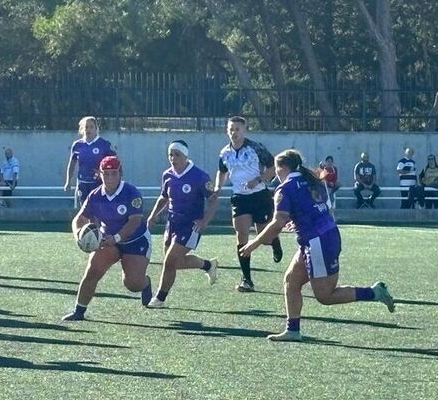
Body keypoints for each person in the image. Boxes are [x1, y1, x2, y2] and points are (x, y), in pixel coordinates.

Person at [239, 149, 395, 342]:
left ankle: (373, 293)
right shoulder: (314, 180)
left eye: (276, 170)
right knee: (291, 281)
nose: (274, 174)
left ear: (284, 168)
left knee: (325, 296)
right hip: (324, 236)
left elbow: (277, 223)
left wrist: (253, 244)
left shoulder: (286, 187)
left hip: (316, 242)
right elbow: (322, 210)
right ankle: (293, 330)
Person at [62, 156, 153, 321]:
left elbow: (135, 221)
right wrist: (78, 237)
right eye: (106, 174)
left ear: (121, 173)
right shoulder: (95, 195)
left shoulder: (131, 192)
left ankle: (145, 283)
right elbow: (79, 219)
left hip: (135, 241)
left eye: (114, 173)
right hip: (108, 240)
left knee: (132, 284)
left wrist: (116, 238)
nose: (110, 178)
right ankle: (79, 311)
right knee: (92, 271)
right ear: (99, 174)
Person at [145, 140, 220, 308]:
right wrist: (153, 215)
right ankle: (208, 265)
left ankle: (159, 299)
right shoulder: (167, 175)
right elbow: (164, 197)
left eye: (177, 154)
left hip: (190, 225)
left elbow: (213, 201)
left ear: (186, 156)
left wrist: (204, 221)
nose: (173, 158)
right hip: (172, 223)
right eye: (170, 154)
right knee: (174, 263)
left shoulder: (199, 176)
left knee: (170, 261)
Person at [214, 116, 283, 293]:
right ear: (227, 131)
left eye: (237, 129)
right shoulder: (224, 153)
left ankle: (274, 242)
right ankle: (247, 280)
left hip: (259, 195)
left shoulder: (255, 147)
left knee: (264, 237)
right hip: (239, 198)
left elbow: (273, 167)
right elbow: (221, 172)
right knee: (241, 235)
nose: (234, 133)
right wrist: (217, 188)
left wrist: (258, 179)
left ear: (245, 130)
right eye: (231, 129)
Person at [64, 116, 114, 205]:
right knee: (84, 210)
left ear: (96, 129)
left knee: (98, 210)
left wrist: (103, 173)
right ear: (82, 129)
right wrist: (68, 181)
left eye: (91, 127)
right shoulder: (77, 145)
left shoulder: (104, 144)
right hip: (82, 183)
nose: (88, 129)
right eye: (86, 127)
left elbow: (114, 162)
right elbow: (72, 164)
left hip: (98, 183)